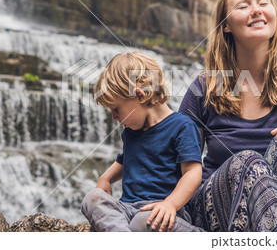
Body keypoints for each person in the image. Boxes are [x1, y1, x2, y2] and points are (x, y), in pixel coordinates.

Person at [179, 0, 277, 232]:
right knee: (247, 162)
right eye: (243, 6)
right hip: (215, 210)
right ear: (226, 25)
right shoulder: (204, 89)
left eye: (263, 3)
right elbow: (181, 165)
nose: (256, 10)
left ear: (274, 15)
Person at [81, 52, 203, 232]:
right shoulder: (131, 131)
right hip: (127, 209)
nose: (114, 118)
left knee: (143, 221)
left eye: (116, 110)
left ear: (140, 95)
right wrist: (105, 178)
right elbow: (125, 159)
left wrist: (170, 204)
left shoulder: (182, 126)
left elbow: (192, 172)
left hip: (162, 213)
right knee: (92, 198)